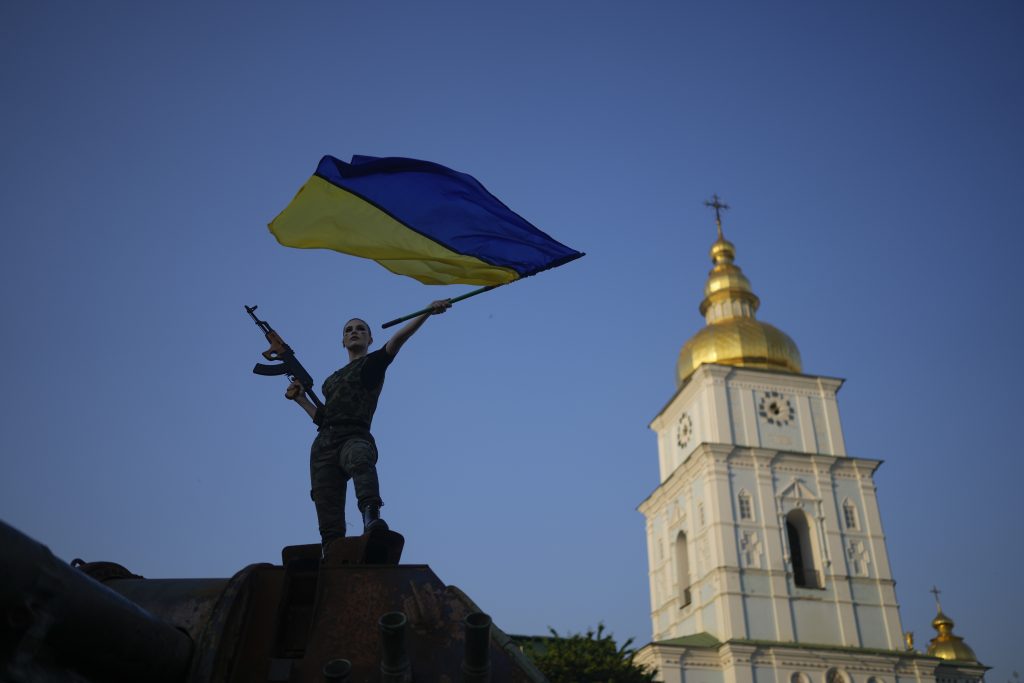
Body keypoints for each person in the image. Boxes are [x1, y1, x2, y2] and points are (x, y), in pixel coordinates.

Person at [286, 299, 451, 553]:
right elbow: (323, 418)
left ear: (370, 340)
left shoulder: (372, 364)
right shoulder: (331, 381)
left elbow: (396, 341)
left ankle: (370, 517)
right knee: (324, 496)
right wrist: (301, 400)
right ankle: (332, 549)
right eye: (349, 330)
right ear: (342, 341)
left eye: (361, 329)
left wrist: (428, 311)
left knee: (360, 458)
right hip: (324, 443)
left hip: (355, 434)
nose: (354, 332)